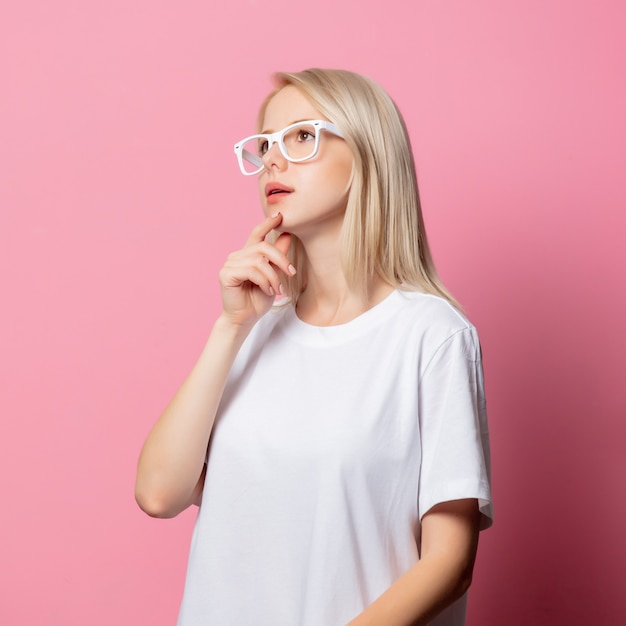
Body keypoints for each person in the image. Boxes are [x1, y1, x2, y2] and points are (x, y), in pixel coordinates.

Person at [135, 68, 493, 626]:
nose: (273, 161)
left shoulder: (432, 335)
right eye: (266, 144)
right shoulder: (253, 329)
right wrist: (229, 328)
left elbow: (449, 562)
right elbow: (159, 494)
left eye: (301, 137)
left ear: (368, 154)